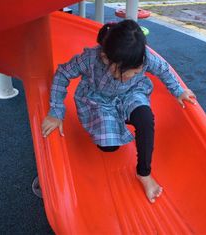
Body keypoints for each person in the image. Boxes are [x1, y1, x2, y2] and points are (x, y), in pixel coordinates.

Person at [41, 19, 196, 203]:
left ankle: (144, 173)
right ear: (107, 59)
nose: (135, 73)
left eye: (139, 69)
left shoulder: (142, 58)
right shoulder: (91, 59)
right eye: (130, 71)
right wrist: (56, 111)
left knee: (145, 119)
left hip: (131, 93)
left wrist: (178, 90)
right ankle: (115, 121)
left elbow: (163, 69)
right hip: (99, 100)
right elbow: (63, 74)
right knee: (109, 147)